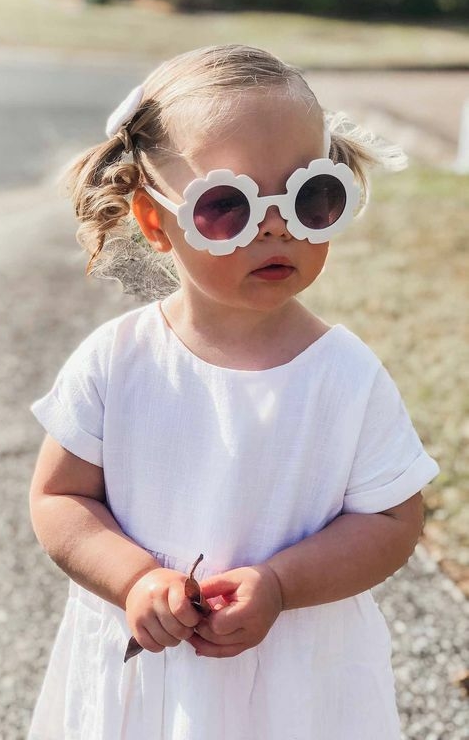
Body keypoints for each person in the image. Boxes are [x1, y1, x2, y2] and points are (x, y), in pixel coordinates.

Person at [27, 44, 439, 740]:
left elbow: (393, 523)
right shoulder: (116, 362)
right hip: (148, 672)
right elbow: (60, 497)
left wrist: (281, 585)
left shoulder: (344, 375)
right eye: (229, 206)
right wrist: (132, 580)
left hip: (296, 686)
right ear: (156, 222)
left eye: (310, 196)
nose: (277, 226)